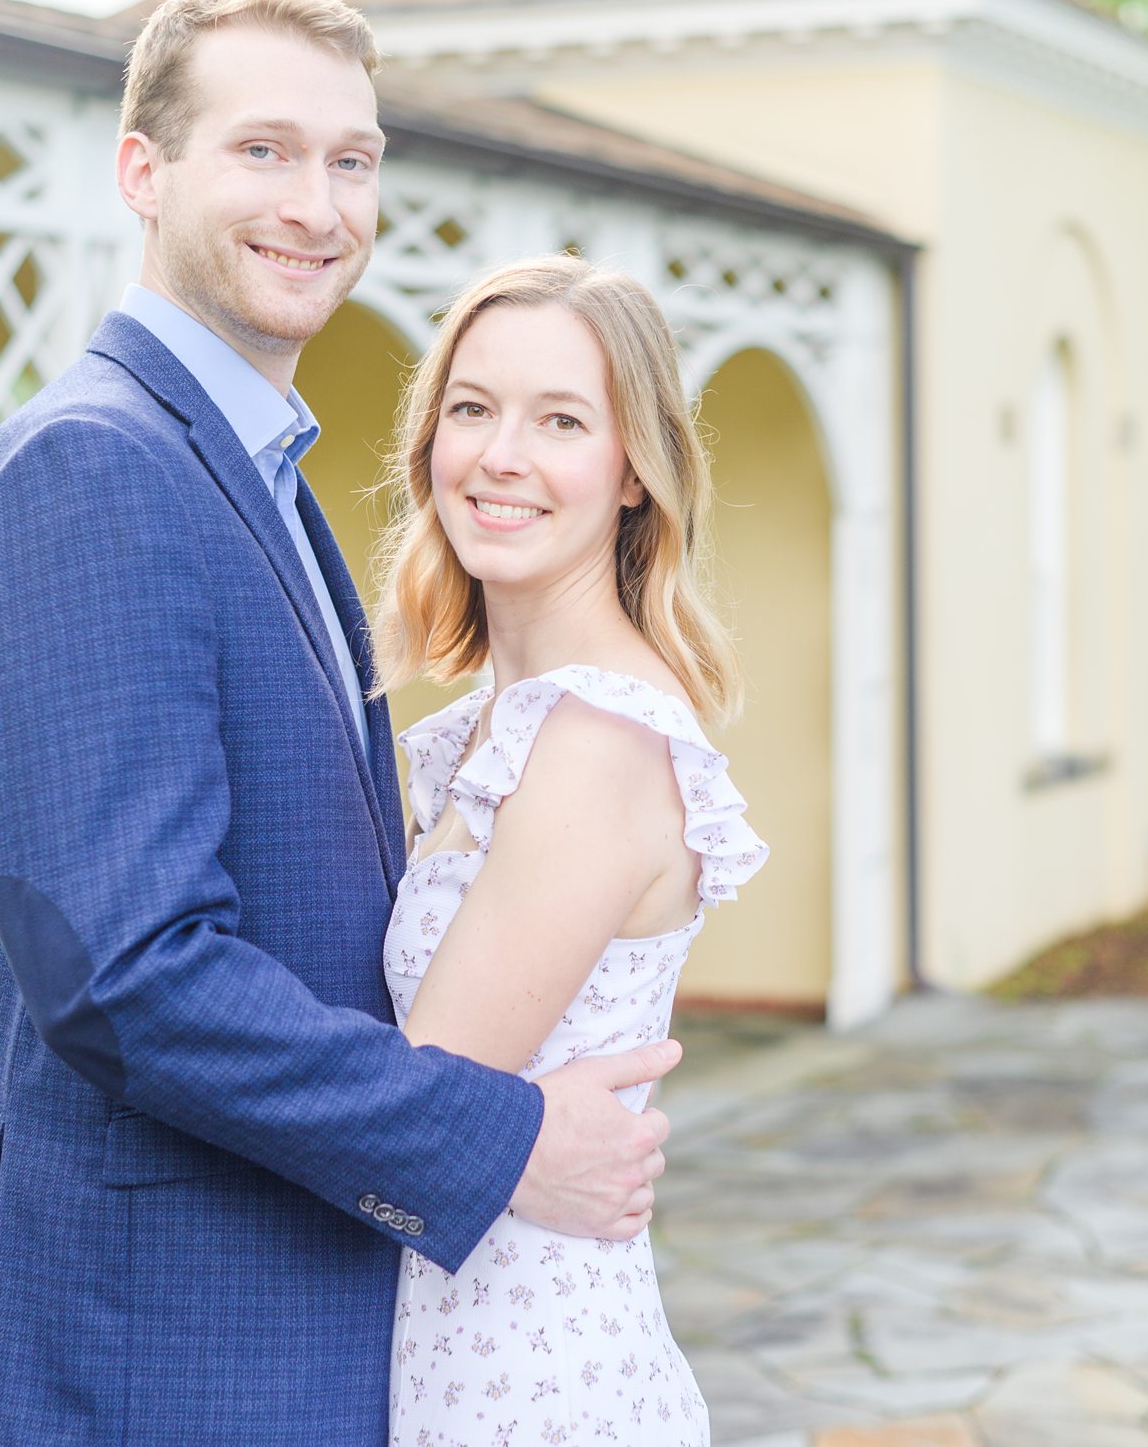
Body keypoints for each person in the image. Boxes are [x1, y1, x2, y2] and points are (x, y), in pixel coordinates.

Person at [0, 0, 680, 1447]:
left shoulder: (258, 474)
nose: (318, 204)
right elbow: (129, 972)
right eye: (263, 151)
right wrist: (507, 1140)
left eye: (353, 160)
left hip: (304, 1318)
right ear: (144, 172)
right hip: (162, 1344)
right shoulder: (92, 468)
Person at [370, 256, 769, 1445]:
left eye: (561, 421)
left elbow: (416, 1100)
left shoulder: (595, 738)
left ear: (635, 468)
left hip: (532, 1378)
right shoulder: (491, 722)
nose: (500, 455)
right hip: (454, 1335)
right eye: (473, 407)